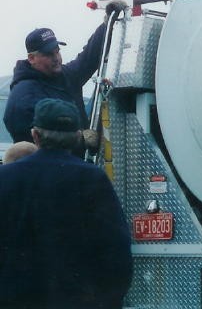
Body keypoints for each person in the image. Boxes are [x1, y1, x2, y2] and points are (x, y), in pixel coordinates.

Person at [0, 98, 133, 308]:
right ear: (77, 137)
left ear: (35, 135)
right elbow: (115, 248)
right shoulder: (93, 179)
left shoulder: (5, 177)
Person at [3, 0, 126, 147]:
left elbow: (88, 58)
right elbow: (30, 140)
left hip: (73, 163)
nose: (56, 58)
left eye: (57, 51)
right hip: (46, 168)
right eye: (49, 54)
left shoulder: (66, 76)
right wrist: (79, 139)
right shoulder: (23, 95)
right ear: (32, 58)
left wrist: (108, 25)